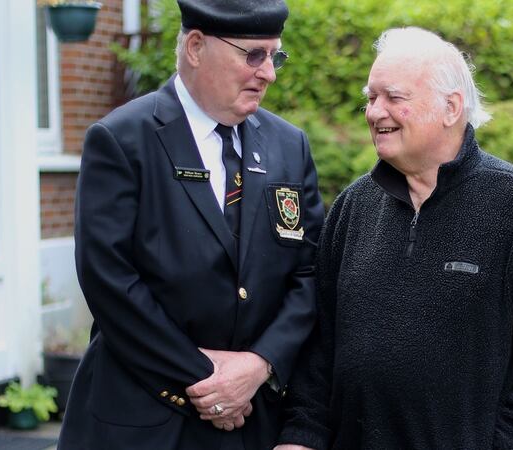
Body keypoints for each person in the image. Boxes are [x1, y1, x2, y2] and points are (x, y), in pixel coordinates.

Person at [276, 27, 513, 450]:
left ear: (450, 107)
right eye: (370, 98)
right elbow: (319, 352)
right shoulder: (353, 207)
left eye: (394, 97)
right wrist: (301, 438)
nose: (374, 112)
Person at [58, 1, 324, 449]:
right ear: (197, 47)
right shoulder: (122, 139)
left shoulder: (288, 145)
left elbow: (310, 272)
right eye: (253, 55)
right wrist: (209, 381)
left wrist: (258, 365)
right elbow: (110, 281)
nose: (269, 73)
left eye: (274, 56)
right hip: (143, 419)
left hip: (253, 423)